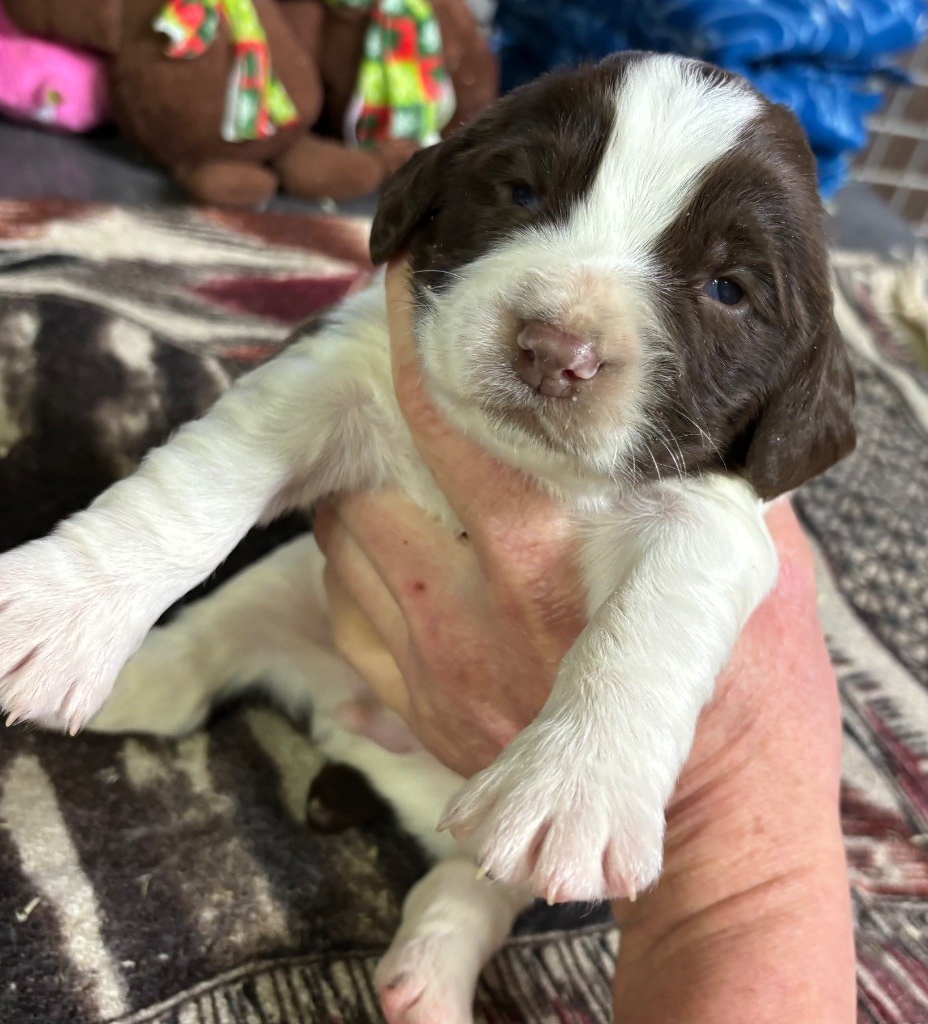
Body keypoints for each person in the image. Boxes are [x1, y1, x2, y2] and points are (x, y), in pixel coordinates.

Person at [313, 260, 856, 1023]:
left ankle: (466, 902)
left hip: (495, 798)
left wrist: (716, 800)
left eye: (723, 288)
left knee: (535, 847)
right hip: (360, 645)